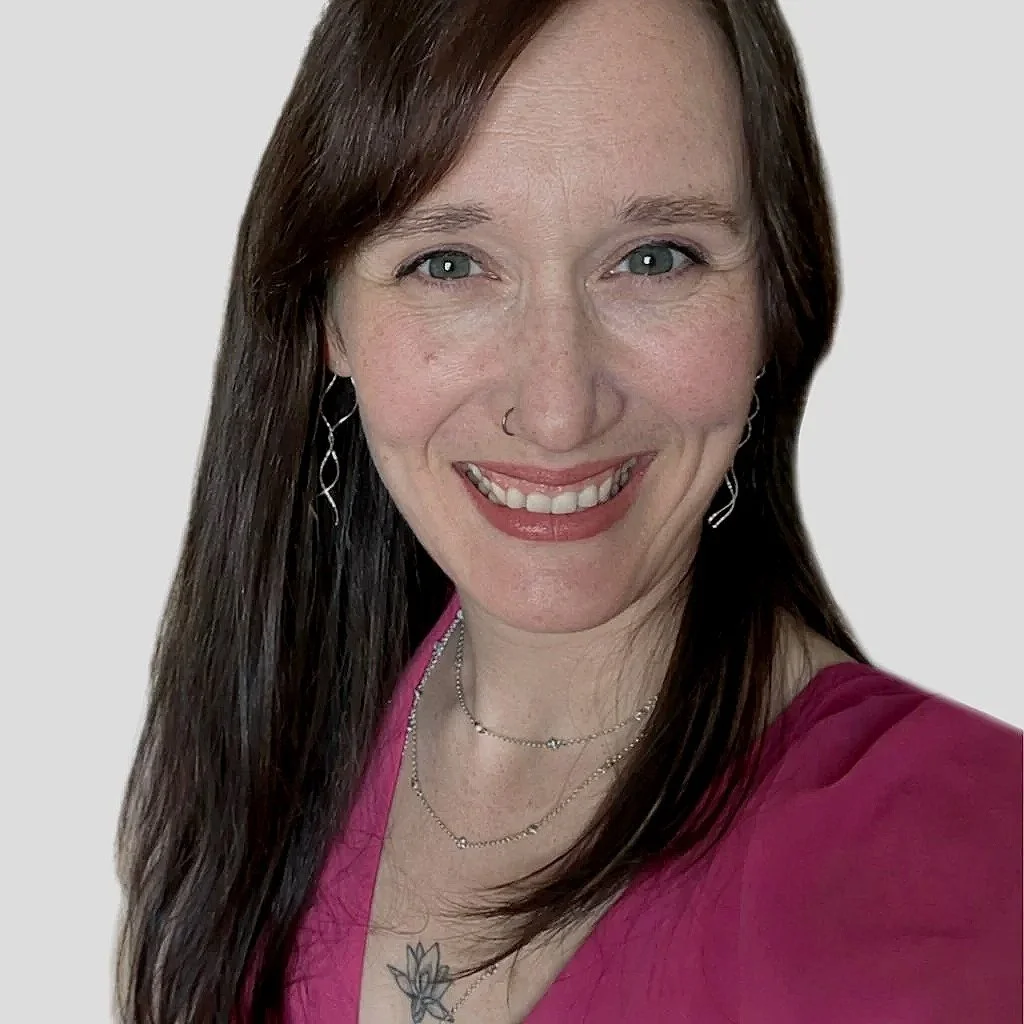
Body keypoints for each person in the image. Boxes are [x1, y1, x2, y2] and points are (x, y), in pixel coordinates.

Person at [114, 0, 1023, 1020]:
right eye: (448, 263)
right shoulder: (278, 751)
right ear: (326, 318)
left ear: (775, 296)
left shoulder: (978, 862)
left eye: (655, 258)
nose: (555, 410)